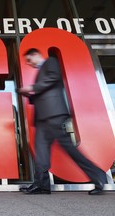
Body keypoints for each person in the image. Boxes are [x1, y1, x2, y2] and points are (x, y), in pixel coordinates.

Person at [18, 48, 107, 195]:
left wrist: (32, 87)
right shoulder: (41, 71)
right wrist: (28, 94)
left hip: (54, 114)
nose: (29, 64)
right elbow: (41, 93)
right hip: (42, 118)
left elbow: (53, 78)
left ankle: (98, 176)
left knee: (70, 149)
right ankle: (42, 185)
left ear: (35, 55)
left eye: (29, 60)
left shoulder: (51, 62)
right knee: (41, 153)